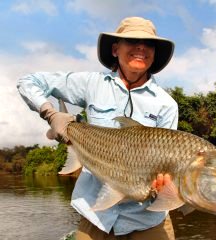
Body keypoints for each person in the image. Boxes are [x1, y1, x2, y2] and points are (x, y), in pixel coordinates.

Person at [17, 17, 178, 240]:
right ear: (115, 49)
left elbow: (168, 165)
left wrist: (166, 188)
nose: (141, 47)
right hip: (96, 216)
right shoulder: (91, 84)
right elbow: (29, 81)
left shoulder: (167, 104)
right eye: (132, 40)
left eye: (149, 43)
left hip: (147, 221)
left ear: (154, 53)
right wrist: (51, 113)